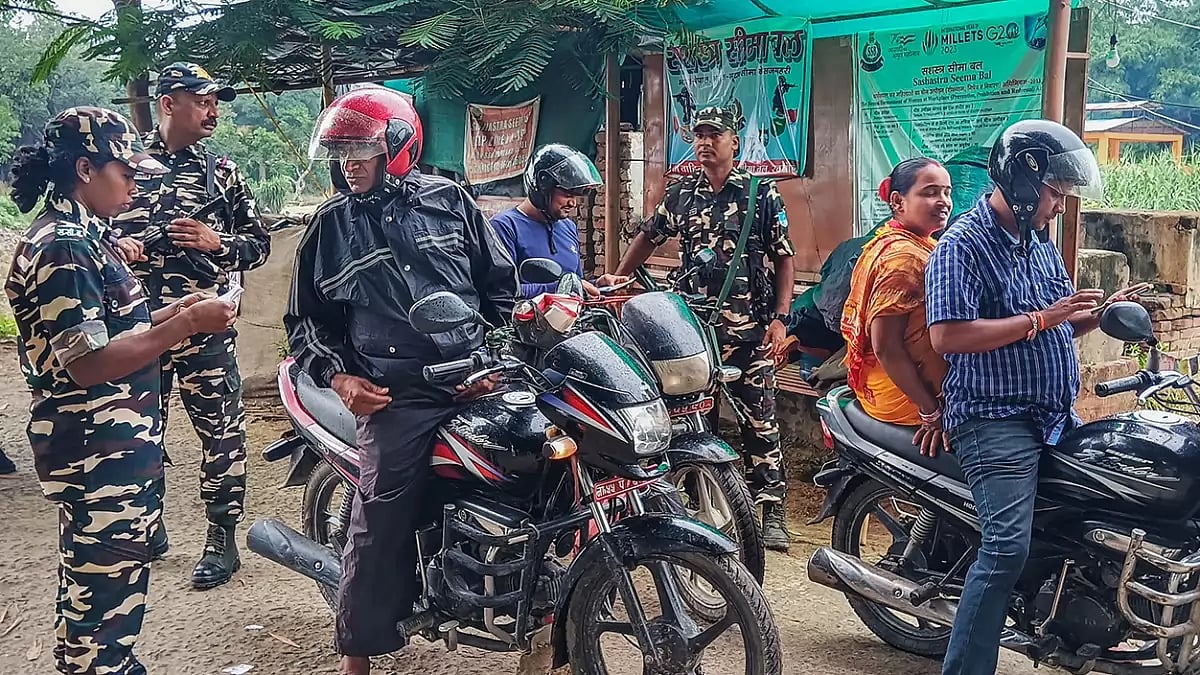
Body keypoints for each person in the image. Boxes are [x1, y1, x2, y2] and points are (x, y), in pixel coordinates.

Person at [284, 86, 518, 675]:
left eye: (360, 150)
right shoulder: (331, 226)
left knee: (543, 461)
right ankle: (356, 654)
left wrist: (496, 355)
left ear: (398, 146)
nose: (348, 165)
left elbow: (498, 289)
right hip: (398, 395)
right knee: (379, 517)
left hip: (474, 379)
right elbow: (306, 323)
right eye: (341, 153)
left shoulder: (451, 201)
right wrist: (340, 378)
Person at [4, 106, 235, 675]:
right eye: (125, 172)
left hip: (109, 447)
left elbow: (108, 330)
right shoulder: (64, 246)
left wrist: (173, 312)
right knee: (103, 609)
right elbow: (87, 363)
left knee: (98, 596)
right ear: (85, 169)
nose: (134, 185)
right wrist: (185, 325)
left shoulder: (84, 236)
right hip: (96, 453)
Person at [925, 119, 1145, 675]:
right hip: (994, 419)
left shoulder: (1038, 244)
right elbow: (947, 335)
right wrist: (1041, 319)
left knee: (1096, 518)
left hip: (1054, 416)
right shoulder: (962, 245)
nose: (1060, 205)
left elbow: (1054, 325)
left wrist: (1094, 315)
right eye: (1055, 192)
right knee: (1005, 548)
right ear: (1023, 184)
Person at [112, 62, 272, 589]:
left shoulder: (222, 173)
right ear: (168, 104)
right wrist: (117, 247)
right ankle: (147, 524)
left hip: (205, 327)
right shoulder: (122, 165)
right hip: (138, 327)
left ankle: (221, 538)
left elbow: (259, 245)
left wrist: (216, 242)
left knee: (221, 433)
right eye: (202, 101)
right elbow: (87, 236)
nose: (213, 111)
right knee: (138, 431)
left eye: (215, 102)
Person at [613, 105, 796, 551]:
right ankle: (701, 503)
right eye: (699, 135)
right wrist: (618, 279)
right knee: (695, 421)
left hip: (749, 331)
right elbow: (648, 235)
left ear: (735, 141)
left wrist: (780, 318)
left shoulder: (760, 194)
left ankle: (771, 510)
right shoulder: (681, 194)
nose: (705, 143)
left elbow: (784, 258)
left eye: (715, 134)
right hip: (692, 333)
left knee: (760, 421)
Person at [841, 158, 951, 456]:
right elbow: (886, 347)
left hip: (887, 382)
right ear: (898, 201)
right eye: (930, 192)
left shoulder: (912, 243)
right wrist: (930, 411)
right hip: (907, 395)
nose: (943, 201)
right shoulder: (903, 259)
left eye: (946, 192)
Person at [490, 144, 628, 297]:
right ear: (543, 187)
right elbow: (502, 292)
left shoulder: (568, 226)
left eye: (576, 196)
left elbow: (575, 284)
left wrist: (597, 285)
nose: (573, 203)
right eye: (568, 195)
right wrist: (562, 287)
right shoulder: (504, 227)